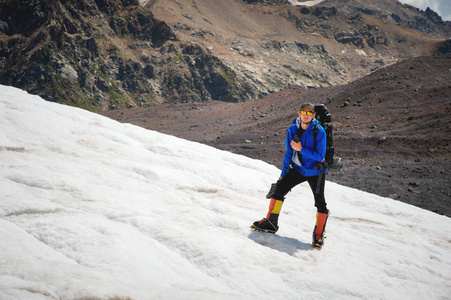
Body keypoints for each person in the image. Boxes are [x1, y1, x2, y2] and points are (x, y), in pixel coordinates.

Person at [251, 102, 330, 248]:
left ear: (313, 116)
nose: (306, 116)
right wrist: (283, 174)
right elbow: (289, 152)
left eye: (309, 113)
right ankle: (270, 223)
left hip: (315, 171)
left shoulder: (320, 132)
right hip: (299, 169)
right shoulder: (293, 129)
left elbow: (320, 156)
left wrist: (301, 149)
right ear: (299, 114)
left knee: (320, 202)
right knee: (279, 189)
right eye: (303, 113)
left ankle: (318, 234)